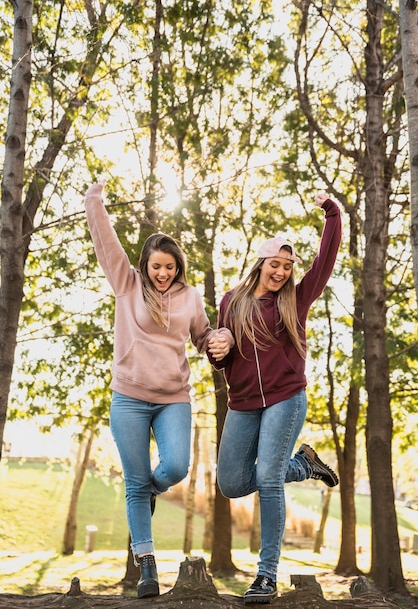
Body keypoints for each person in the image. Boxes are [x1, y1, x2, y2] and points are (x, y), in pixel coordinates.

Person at [85, 180, 234, 599]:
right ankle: (147, 565)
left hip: (173, 399)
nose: (163, 273)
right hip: (129, 399)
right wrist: (94, 202)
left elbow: (205, 337)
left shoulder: (189, 298)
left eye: (170, 267)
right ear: (145, 266)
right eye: (156, 267)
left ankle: (146, 491)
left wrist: (220, 339)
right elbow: (106, 244)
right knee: (134, 481)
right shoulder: (127, 284)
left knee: (174, 469)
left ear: (178, 267)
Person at [207, 192, 342, 604]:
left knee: (267, 478)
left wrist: (332, 213)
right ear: (261, 265)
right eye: (275, 265)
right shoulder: (232, 301)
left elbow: (325, 260)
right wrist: (220, 346)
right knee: (230, 483)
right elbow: (221, 355)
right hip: (243, 403)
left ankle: (266, 577)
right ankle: (303, 465)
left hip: (286, 397)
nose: (281, 272)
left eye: (287, 266)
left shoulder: (296, 300)